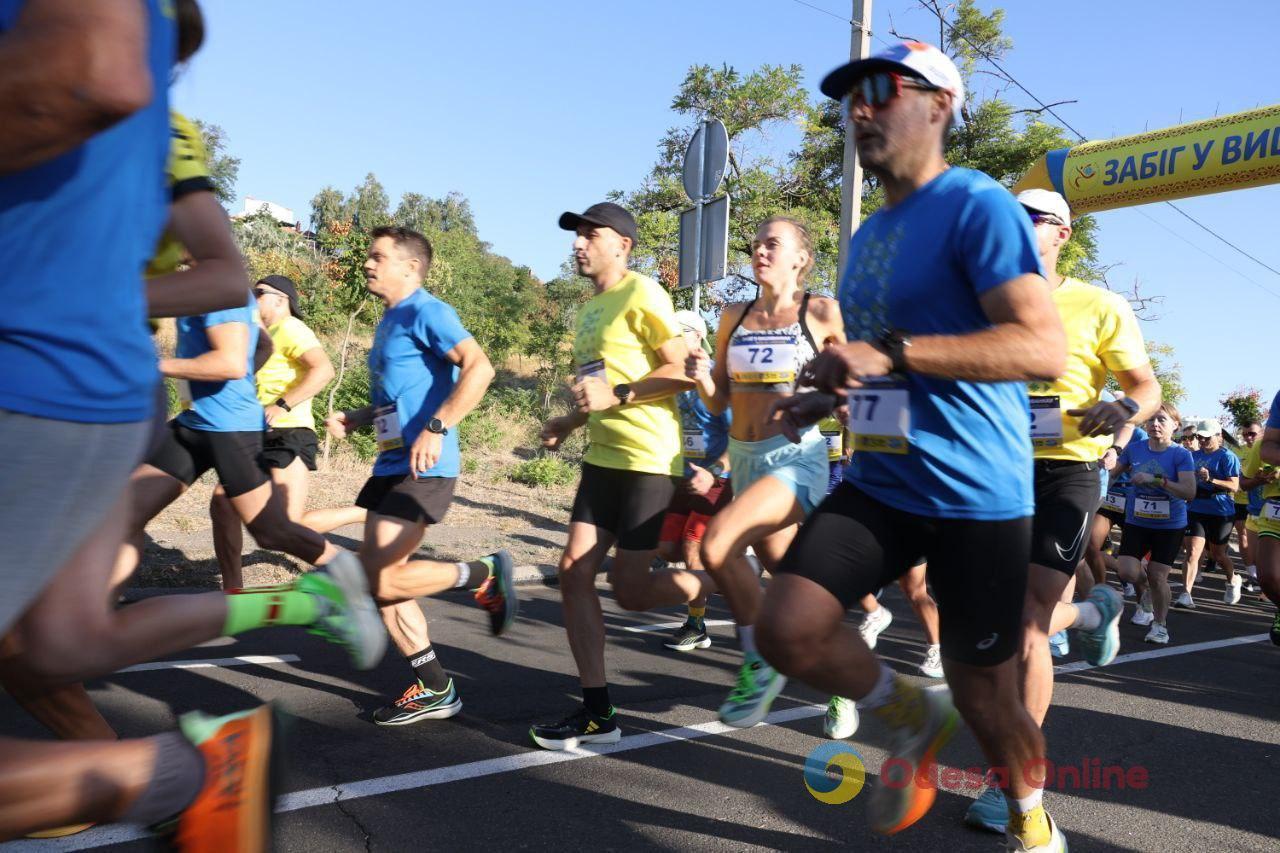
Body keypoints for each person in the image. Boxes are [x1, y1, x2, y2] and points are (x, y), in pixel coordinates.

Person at [757, 41, 1070, 850]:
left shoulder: (977, 205)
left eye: (881, 90)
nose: (860, 109)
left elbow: (1041, 350)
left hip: (977, 495)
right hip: (885, 480)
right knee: (786, 626)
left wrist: (891, 349)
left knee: (989, 700)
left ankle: (1031, 818)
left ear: (939, 105)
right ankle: (906, 711)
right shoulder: (866, 240)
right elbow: (884, 377)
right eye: (850, 96)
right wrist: (825, 398)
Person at [0, 1, 290, 844]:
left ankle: (297, 610)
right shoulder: (164, 125)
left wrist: (103, 305)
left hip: (93, 385)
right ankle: (182, 770)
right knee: (57, 643)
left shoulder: (150, 114)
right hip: (110, 387)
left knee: (268, 523)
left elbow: (232, 322)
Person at [962, 188, 1161, 834]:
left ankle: (1011, 785)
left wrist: (1125, 411)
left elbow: (1145, 386)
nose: (1021, 228)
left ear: (1063, 234)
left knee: (1026, 623)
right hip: (997, 471)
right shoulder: (982, 299)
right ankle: (1097, 608)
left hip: (1068, 471)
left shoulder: (1100, 304)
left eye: (1036, 220)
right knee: (1003, 617)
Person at [530, 202, 715, 750]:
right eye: (577, 235)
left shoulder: (644, 293)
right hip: (602, 459)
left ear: (623, 244)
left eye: (591, 233)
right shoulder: (592, 309)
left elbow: (683, 369)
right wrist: (570, 419)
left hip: (646, 461)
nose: (579, 243)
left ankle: (732, 582)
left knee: (632, 592)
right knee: (573, 573)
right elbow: (601, 386)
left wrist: (623, 394)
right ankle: (597, 710)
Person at [325, 226, 515, 726]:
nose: (367, 263)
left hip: (424, 465)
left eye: (377, 256)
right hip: (391, 461)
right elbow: (402, 394)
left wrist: (438, 426)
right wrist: (360, 417)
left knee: (380, 577)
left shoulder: (427, 310)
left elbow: (480, 368)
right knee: (382, 583)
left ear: (409, 266)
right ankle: (434, 687)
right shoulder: (390, 319)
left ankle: (482, 573)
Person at [685, 215, 844, 727]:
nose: (760, 251)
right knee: (795, 587)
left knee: (717, 546)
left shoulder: (820, 312)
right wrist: (696, 375)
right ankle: (843, 675)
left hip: (796, 457)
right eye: (756, 244)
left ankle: (759, 661)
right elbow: (718, 400)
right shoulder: (733, 314)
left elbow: (850, 388)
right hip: (746, 461)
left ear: (801, 258)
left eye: (773, 244)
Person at [208, 274, 364, 589]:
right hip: (256, 436)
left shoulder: (292, 328)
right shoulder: (259, 335)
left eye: (259, 293)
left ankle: (364, 523)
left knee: (285, 527)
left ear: (281, 300)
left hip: (289, 433)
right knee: (223, 502)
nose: (252, 297)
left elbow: (324, 370)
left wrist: (283, 404)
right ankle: (233, 589)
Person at [660, 310, 733, 653]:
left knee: (691, 547)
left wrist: (714, 472)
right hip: (685, 476)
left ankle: (696, 624)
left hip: (719, 477)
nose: (670, 340)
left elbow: (742, 439)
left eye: (677, 334)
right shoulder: (670, 378)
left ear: (696, 337)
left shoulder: (717, 381)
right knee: (667, 548)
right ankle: (735, 572)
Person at [1113, 404, 1197, 644]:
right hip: (1137, 521)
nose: (1154, 424)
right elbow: (1112, 475)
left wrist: (1158, 479)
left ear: (1175, 426)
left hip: (1169, 525)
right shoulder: (1135, 449)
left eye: (1161, 420)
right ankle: (1149, 589)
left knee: (1158, 576)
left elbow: (1189, 492)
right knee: (1126, 571)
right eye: (1150, 420)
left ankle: (1160, 625)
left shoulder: (1181, 454)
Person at [1178, 418, 1241, 607]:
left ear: (1218, 437)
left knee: (1218, 555)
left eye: (1207, 438)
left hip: (1220, 510)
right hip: (1196, 508)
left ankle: (1232, 580)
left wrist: (1211, 479)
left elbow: (1235, 486)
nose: (1203, 441)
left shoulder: (1227, 456)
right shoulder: (1193, 456)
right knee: (1192, 553)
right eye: (1200, 437)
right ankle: (1185, 595)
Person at [1242, 393, 1280, 644]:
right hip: (1274, 509)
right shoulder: (1262, 445)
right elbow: (1244, 483)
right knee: (1268, 577)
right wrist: (1261, 478)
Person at [1231, 421, 1264, 591]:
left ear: (1262, 432)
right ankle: (1253, 575)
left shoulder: (1268, 451)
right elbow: (1239, 479)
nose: (1248, 437)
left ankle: (1262, 578)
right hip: (1243, 502)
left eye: (1252, 433)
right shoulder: (1238, 451)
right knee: (1244, 538)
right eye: (1245, 434)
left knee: (1265, 549)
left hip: (1266, 506)